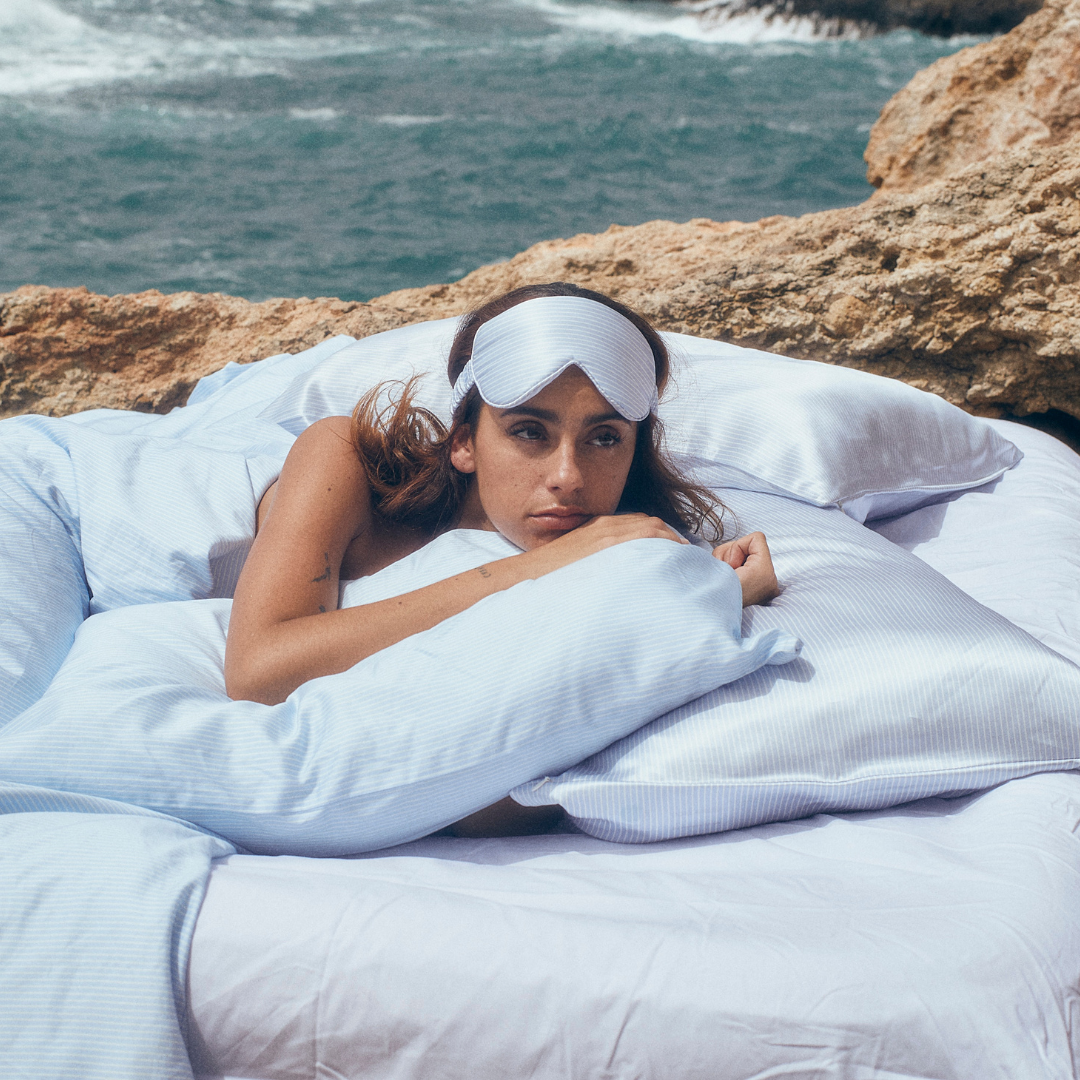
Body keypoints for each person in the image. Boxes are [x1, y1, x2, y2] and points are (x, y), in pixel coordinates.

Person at [224, 282, 778, 833]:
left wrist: (715, 595)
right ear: (463, 442)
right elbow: (259, 673)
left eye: (605, 438)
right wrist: (538, 566)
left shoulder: (633, 545)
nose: (568, 477)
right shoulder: (342, 459)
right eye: (529, 431)